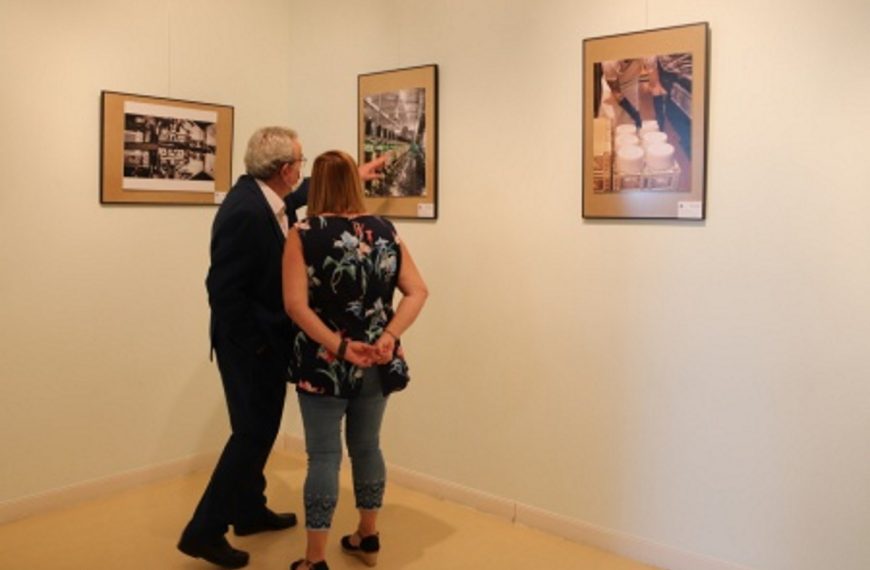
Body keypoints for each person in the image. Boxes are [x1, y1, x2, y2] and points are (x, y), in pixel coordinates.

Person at [178, 128, 386, 569]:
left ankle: (249, 511)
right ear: (284, 169)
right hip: (248, 346)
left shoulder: (264, 197)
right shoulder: (246, 213)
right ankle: (204, 531)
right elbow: (223, 292)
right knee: (251, 434)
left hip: (262, 343)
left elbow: (301, 196)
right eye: (300, 162)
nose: (303, 170)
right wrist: (256, 347)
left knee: (259, 431)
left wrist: (354, 175)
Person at [282, 150, 428, 570]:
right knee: (367, 448)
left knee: (324, 458)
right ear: (354, 183)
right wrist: (387, 336)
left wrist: (340, 346)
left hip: (323, 364)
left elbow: (296, 306)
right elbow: (417, 291)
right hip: (377, 361)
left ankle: (315, 559)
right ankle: (367, 534)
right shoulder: (384, 230)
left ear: (318, 185)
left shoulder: (303, 233)